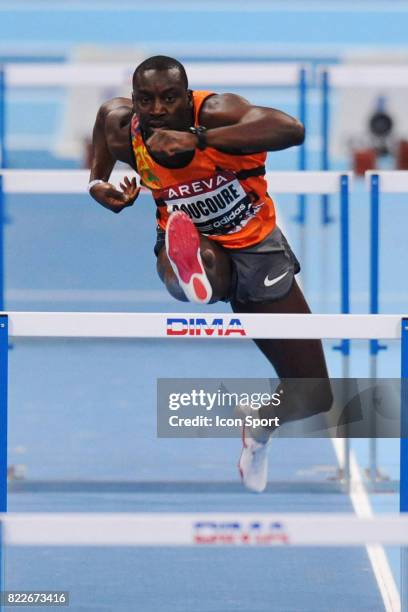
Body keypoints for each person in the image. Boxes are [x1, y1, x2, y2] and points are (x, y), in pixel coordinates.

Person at [89, 55, 333, 493]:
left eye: (169, 98)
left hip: (257, 245)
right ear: (135, 99)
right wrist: (97, 182)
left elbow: (291, 130)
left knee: (314, 393)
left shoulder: (219, 112)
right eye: (146, 99)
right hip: (192, 242)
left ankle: (258, 429)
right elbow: (105, 121)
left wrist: (199, 140)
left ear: (188, 96)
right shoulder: (124, 124)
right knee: (201, 264)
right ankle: (192, 273)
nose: (158, 109)